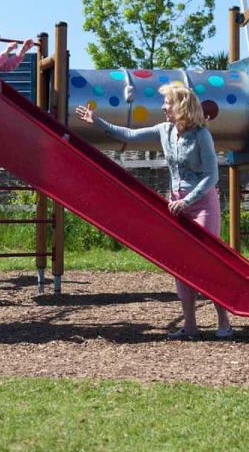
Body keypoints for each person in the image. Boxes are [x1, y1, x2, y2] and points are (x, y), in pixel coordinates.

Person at [74, 83, 233, 340]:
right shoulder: (164, 130)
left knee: (207, 264)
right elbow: (127, 135)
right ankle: (190, 326)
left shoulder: (202, 135)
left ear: (181, 106)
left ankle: (224, 321)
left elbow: (211, 176)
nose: (163, 107)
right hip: (176, 205)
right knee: (181, 266)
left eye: (167, 103)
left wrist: (188, 200)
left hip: (201, 204)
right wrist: (97, 121)